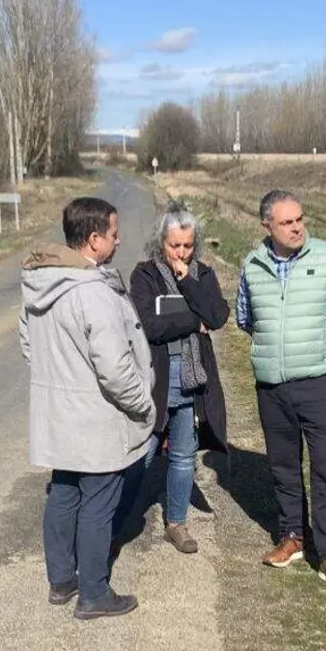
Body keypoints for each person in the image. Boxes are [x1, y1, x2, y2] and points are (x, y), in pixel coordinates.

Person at [19, 196, 155, 620]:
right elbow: (115, 370)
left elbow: (29, 346)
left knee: (63, 493)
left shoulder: (40, 284)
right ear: (94, 240)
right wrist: (143, 405)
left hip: (59, 415)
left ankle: (61, 581)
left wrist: (63, 382)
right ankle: (93, 593)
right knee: (98, 502)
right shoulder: (93, 292)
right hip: (97, 418)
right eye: (114, 234)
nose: (119, 240)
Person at [236, 189, 326, 593]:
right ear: (266, 226)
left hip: (318, 383)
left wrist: (323, 346)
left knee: (325, 468)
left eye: (300, 219)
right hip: (271, 386)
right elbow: (245, 317)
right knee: (282, 466)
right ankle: (292, 536)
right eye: (286, 222)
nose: (296, 228)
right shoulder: (252, 265)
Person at [127, 201, 230, 554]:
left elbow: (216, 316)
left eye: (188, 245)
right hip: (158, 378)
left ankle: (176, 522)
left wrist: (188, 282)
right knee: (144, 451)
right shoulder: (145, 275)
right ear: (161, 243)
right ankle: (117, 518)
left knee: (184, 454)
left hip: (193, 378)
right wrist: (192, 319)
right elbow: (149, 326)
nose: (182, 253)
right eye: (175, 246)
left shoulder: (202, 273)